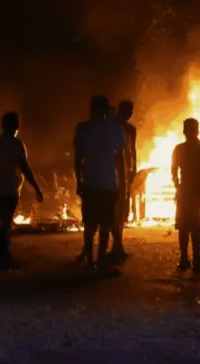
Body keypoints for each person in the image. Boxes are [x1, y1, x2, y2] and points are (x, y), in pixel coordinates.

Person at [74, 95, 127, 276]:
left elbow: (78, 158)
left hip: (90, 182)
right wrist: (122, 182)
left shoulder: (83, 128)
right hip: (107, 183)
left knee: (89, 225)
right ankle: (101, 263)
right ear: (106, 110)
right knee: (105, 224)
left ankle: (90, 262)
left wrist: (78, 181)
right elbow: (120, 158)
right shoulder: (115, 128)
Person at [0, 112, 44, 271]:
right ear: (15, 126)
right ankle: (4, 258)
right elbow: (25, 168)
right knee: (5, 223)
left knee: (4, 221)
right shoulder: (17, 144)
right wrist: (37, 188)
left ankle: (2, 256)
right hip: (8, 189)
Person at [171, 118, 200, 270]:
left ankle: (184, 259)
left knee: (184, 225)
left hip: (185, 190)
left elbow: (174, 170)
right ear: (197, 130)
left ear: (184, 131)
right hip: (198, 189)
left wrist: (177, 186)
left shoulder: (179, 149)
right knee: (196, 225)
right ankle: (196, 258)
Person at [110, 99, 137, 261]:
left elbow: (133, 150)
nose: (130, 114)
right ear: (121, 111)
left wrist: (134, 168)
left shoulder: (131, 129)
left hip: (125, 172)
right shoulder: (112, 127)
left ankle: (118, 245)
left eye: (131, 111)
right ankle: (116, 245)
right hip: (113, 172)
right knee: (115, 210)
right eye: (128, 111)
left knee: (122, 210)